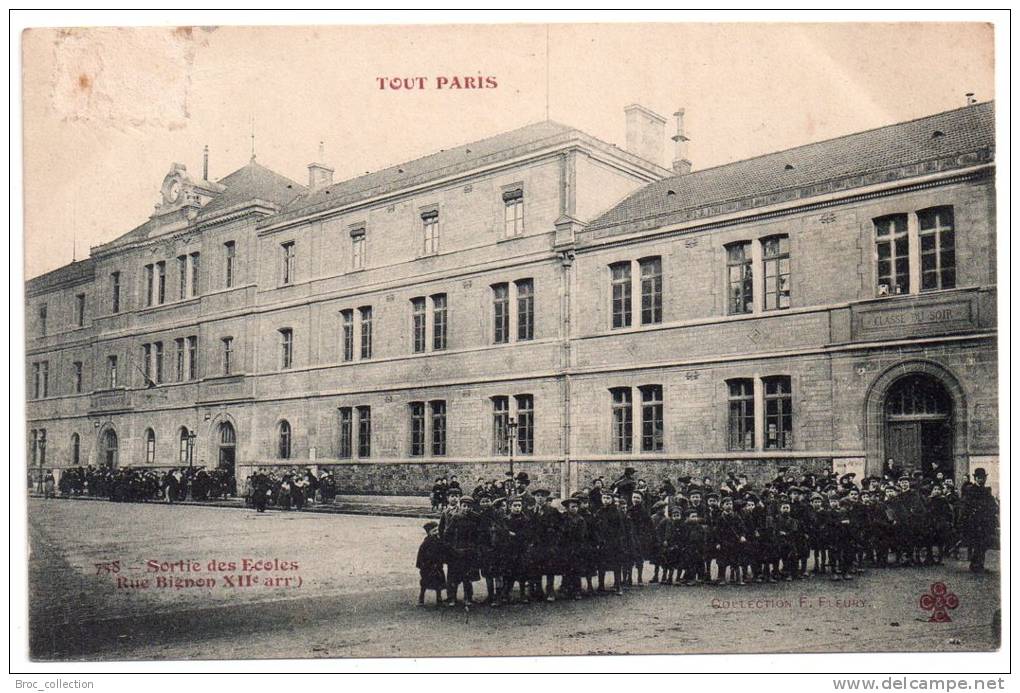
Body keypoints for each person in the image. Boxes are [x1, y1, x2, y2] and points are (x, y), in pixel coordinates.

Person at [960, 467, 998, 573]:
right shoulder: (970, 490)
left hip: (985, 521)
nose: (981, 480)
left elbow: (992, 504)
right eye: (979, 478)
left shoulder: (986, 491)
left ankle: (979, 564)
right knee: (977, 543)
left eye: (983, 478)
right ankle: (975, 564)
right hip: (975, 522)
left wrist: (993, 510)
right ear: (975, 478)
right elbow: (966, 506)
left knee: (984, 543)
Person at [416, 521, 447, 607]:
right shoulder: (426, 543)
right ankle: (421, 598)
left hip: (437, 565)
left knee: (439, 583)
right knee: (425, 582)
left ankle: (439, 598)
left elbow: (443, 550)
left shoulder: (439, 541)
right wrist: (422, 565)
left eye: (437, 530)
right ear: (429, 532)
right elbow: (421, 555)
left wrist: (442, 560)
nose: (436, 532)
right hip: (427, 566)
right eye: (434, 531)